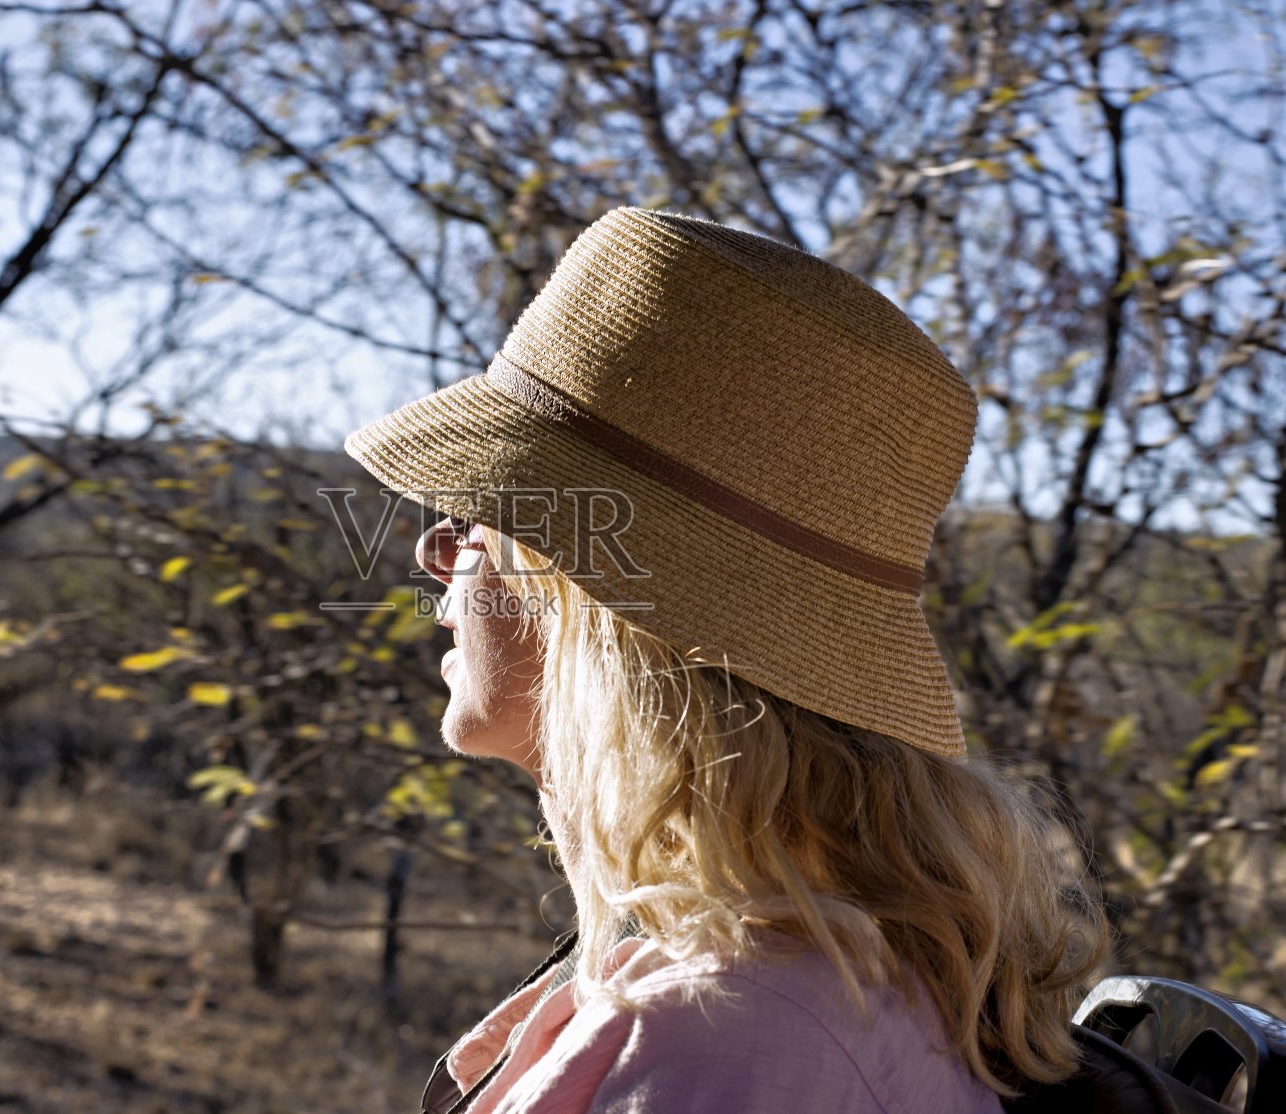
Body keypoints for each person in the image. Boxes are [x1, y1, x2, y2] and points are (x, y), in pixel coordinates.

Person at [342, 207, 1109, 1113]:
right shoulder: (816, 987)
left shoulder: (724, 1036)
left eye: (477, 516)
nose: (436, 550)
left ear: (589, 601)